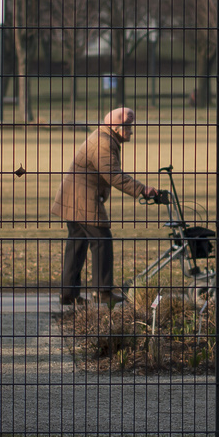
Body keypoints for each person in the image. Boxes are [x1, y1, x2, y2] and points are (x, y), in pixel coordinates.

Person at [51, 107, 164, 308]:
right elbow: (112, 175)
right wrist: (142, 190)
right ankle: (102, 292)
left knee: (77, 244)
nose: (131, 131)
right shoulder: (104, 142)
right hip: (82, 198)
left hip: (75, 196)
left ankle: (68, 294)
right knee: (102, 240)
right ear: (117, 127)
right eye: (128, 127)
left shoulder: (104, 137)